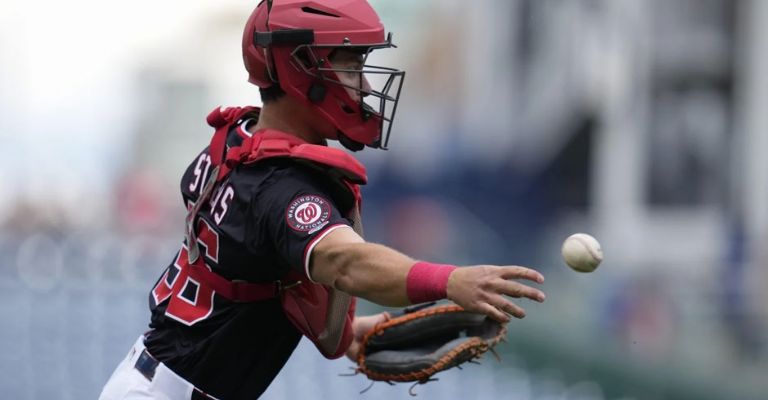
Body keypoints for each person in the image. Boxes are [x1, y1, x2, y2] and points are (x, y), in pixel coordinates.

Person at [99, 0, 546, 399]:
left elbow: (258, 277)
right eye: (351, 66)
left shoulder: (236, 145)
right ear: (300, 70)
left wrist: (350, 333)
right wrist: (450, 281)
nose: (366, 86)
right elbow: (345, 262)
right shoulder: (279, 185)